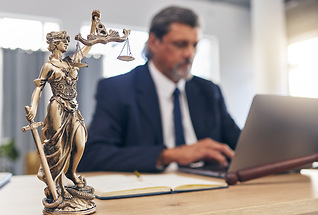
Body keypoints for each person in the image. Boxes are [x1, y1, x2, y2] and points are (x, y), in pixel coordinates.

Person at [78, 6, 241, 173]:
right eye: (180, 44)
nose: (190, 54)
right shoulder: (117, 89)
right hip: (151, 189)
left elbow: (241, 145)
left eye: (195, 45)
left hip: (210, 186)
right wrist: (168, 155)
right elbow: (93, 156)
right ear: (154, 42)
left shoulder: (209, 90)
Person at [26, 31, 92, 197]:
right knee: (59, 147)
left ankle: (71, 172)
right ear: (55, 44)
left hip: (73, 107)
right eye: (63, 40)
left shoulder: (70, 62)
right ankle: (57, 184)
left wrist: (94, 28)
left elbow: (88, 45)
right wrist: (33, 108)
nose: (66, 43)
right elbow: (39, 88)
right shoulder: (49, 66)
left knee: (80, 143)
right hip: (57, 107)